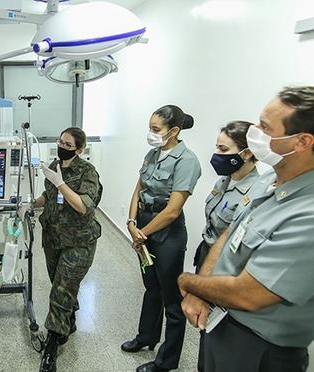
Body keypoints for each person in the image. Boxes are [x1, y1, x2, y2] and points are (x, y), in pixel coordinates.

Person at [178, 86, 314, 372]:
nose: (255, 132)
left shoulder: (307, 214)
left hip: (260, 350)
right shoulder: (270, 182)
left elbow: (249, 294)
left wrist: (190, 283)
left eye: (265, 127)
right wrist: (202, 292)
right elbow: (228, 235)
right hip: (221, 324)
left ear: (302, 141)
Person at [121, 105, 201, 372]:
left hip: (167, 233)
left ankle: (166, 361)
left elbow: (172, 210)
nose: (151, 134)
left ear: (174, 131)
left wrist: (143, 233)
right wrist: (132, 223)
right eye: (150, 128)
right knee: (151, 286)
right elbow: (138, 189)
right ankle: (146, 337)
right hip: (144, 226)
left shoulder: (186, 161)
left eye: (156, 130)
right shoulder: (152, 154)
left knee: (171, 298)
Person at [27, 127, 102, 372]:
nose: (62, 146)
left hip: (78, 242)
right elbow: (48, 196)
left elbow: (83, 206)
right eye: (60, 141)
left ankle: (51, 345)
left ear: (79, 150)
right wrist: (30, 205)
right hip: (52, 238)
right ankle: (68, 318)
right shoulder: (54, 164)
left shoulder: (88, 172)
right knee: (59, 283)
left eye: (68, 145)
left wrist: (60, 183)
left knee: (60, 290)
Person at [193, 121, 260, 371]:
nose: (217, 156)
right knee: (205, 328)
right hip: (207, 257)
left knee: (221, 334)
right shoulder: (224, 181)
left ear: (247, 153)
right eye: (217, 149)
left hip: (227, 269)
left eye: (223, 149)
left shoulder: (255, 191)